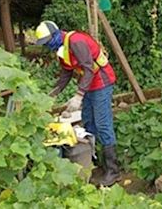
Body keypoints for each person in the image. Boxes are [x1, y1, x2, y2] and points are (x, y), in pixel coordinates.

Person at [35, 21, 120, 186]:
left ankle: (113, 170)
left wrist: (78, 95)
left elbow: (88, 68)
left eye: (47, 42)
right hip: (88, 84)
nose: (47, 46)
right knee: (88, 121)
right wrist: (52, 95)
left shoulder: (76, 41)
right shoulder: (62, 50)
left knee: (102, 124)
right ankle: (94, 161)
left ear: (55, 35)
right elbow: (66, 73)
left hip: (101, 82)